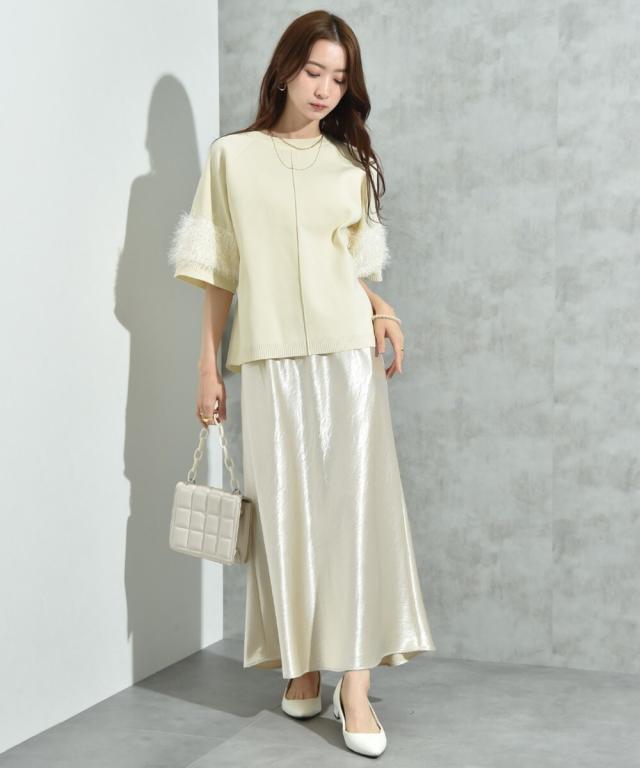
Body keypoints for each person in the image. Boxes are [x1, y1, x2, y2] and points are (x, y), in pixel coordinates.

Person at [167, 10, 436, 758]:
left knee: (353, 516)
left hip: (349, 356)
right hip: (269, 358)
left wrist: (382, 308)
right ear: (284, 70)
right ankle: (303, 664)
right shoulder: (231, 157)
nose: (324, 89)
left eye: (339, 78)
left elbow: (344, 268)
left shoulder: (350, 168)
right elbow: (218, 270)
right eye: (314, 71)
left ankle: (355, 687)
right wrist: (207, 365)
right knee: (287, 517)